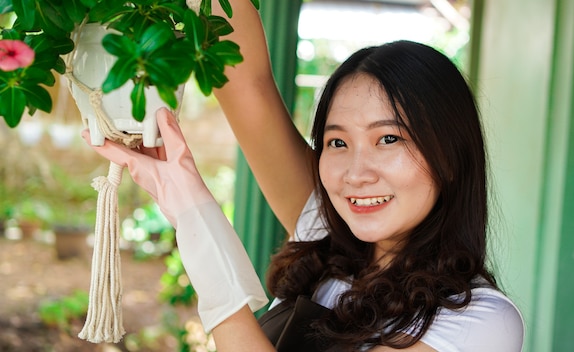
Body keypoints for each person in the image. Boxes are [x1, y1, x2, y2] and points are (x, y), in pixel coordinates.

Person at [84, 0, 525, 351]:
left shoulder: (478, 323)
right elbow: (244, 82)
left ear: (449, 155)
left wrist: (197, 223)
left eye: (389, 139)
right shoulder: (326, 231)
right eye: (337, 142)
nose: (356, 173)